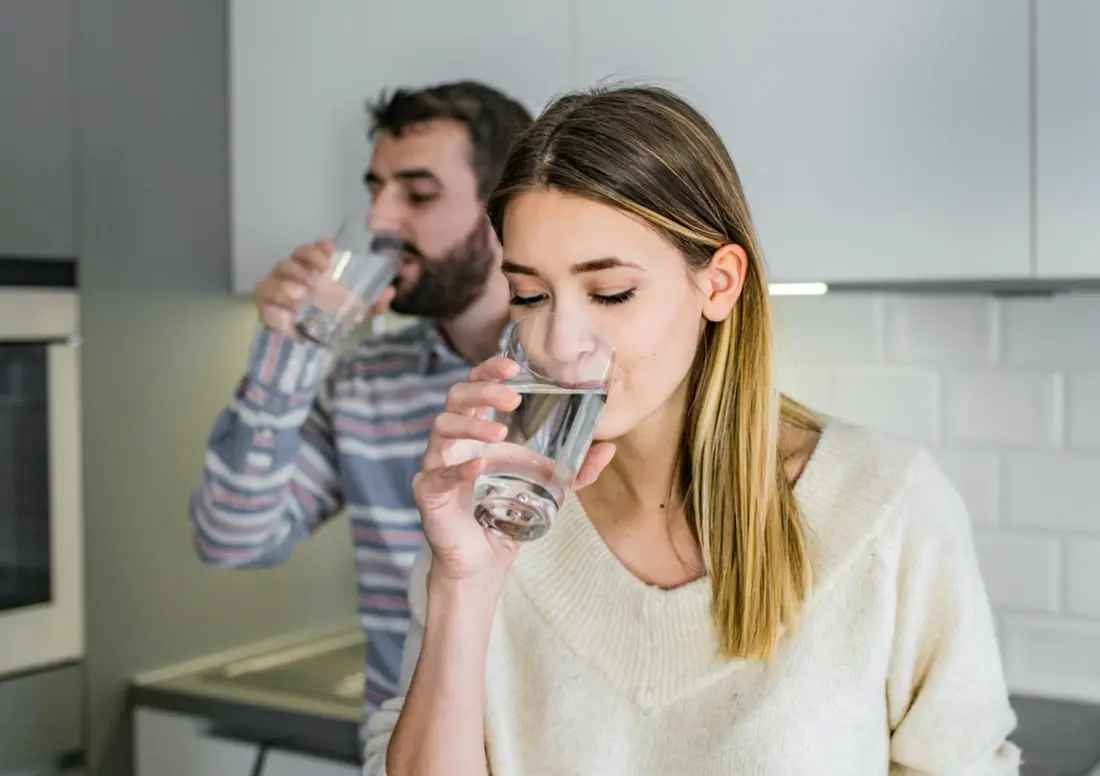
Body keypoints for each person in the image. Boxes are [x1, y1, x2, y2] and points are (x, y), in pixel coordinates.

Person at [363, 84, 1021, 775]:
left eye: (610, 292)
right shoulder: (498, 518)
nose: (561, 341)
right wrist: (464, 586)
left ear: (720, 283)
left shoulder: (887, 504)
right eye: (529, 295)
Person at [188, 81, 532, 723]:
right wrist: (286, 353)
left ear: (505, 208)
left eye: (418, 194)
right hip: (401, 745)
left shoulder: (579, 384)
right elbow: (231, 538)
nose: (379, 221)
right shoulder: (365, 380)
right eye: (377, 189)